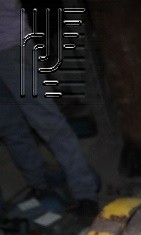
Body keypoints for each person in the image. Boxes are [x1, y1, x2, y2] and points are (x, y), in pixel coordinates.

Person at [0, 0, 99, 217]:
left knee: (48, 122)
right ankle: (40, 186)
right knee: (11, 128)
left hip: (11, 47)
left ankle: (85, 194)